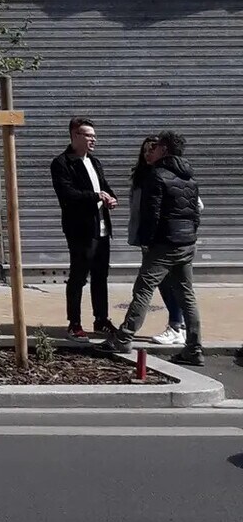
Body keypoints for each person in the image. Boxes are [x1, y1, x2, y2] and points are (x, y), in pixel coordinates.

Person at [106, 131, 203, 367]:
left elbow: (153, 214)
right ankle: (194, 347)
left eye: (157, 146)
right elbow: (194, 213)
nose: (153, 149)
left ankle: (124, 336)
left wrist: (147, 242)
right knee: (187, 294)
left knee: (143, 288)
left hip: (163, 244)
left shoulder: (157, 176)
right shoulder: (189, 178)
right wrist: (189, 235)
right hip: (186, 243)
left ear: (165, 149)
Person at [49, 118, 117, 338]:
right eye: (88, 135)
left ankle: (101, 319)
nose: (93, 140)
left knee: (101, 276)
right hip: (81, 230)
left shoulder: (95, 162)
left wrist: (112, 198)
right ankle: (75, 322)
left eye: (94, 136)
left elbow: (105, 187)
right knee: (79, 276)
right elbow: (67, 195)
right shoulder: (62, 163)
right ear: (75, 136)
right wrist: (96, 196)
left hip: (102, 228)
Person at [128, 136, 190, 348]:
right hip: (151, 241)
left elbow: (194, 206)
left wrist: (159, 233)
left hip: (162, 242)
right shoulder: (143, 176)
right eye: (144, 149)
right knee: (169, 286)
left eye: (151, 149)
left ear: (162, 151)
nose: (147, 153)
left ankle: (175, 327)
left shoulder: (166, 176)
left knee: (156, 287)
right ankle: (182, 332)